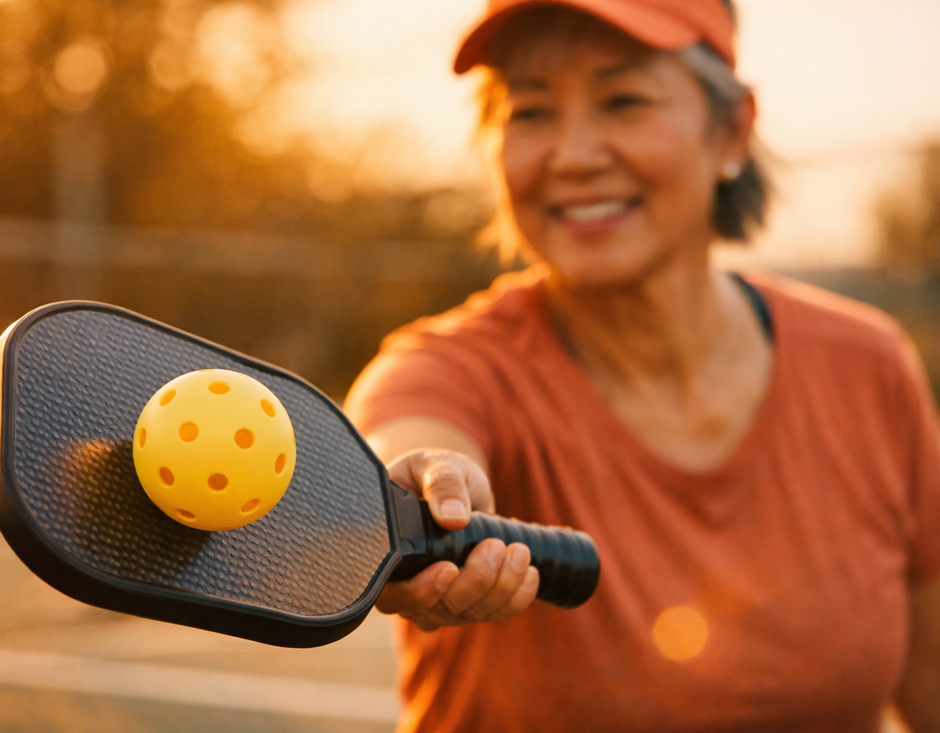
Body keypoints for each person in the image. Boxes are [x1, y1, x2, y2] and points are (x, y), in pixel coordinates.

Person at [342, 1, 940, 731]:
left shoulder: (867, 365)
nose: (573, 154)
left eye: (623, 101)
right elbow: (404, 453)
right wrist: (413, 506)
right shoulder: (447, 366)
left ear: (732, 131)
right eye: (530, 111)